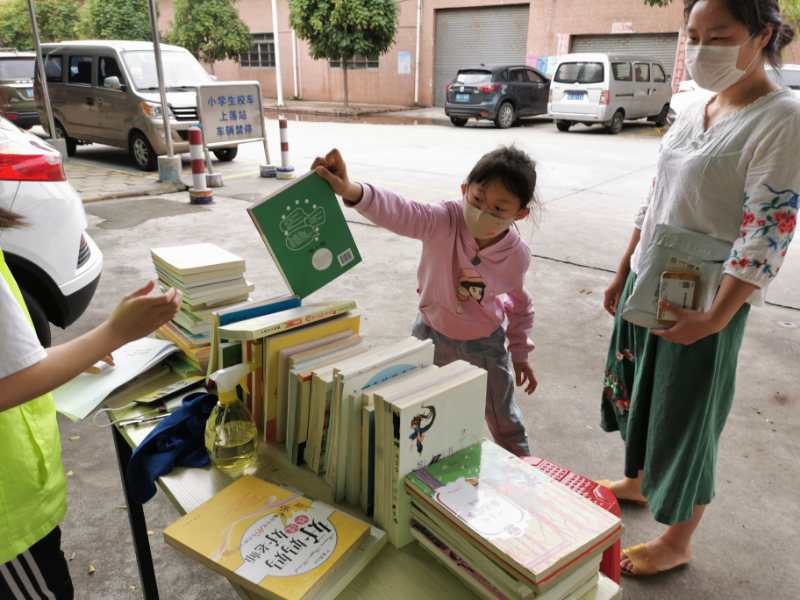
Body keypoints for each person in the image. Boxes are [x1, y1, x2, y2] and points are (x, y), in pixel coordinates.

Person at [599, 0, 799, 577]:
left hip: (710, 294)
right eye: (694, 34)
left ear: (762, 35)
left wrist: (714, 318)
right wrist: (622, 267)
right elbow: (657, 193)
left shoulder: (781, 117)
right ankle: (638, 481)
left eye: (720, 34)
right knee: (641, 390)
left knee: (689, 410)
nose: (703, 46)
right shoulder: (691, 107)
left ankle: (679, 538)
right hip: (650, 276)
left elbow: (768, 229)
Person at [0, 207, 181, 599]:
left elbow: (8, 359)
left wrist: (78, 354)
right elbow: (8, 383)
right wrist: (113, 333)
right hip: (6, 527)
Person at [312, 146, 538, 456]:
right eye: (477, 200)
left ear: (520, 214)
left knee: (503, 419)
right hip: (429, 332)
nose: (484, 212)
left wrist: (520, 351)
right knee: (409, 405)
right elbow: (401, 210)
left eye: (499, 209)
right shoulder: (442, 220)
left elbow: (519, 304)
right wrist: (351, 190)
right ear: (464, 190)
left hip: (485, 344)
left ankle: (527, 477)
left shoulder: (516, 256)